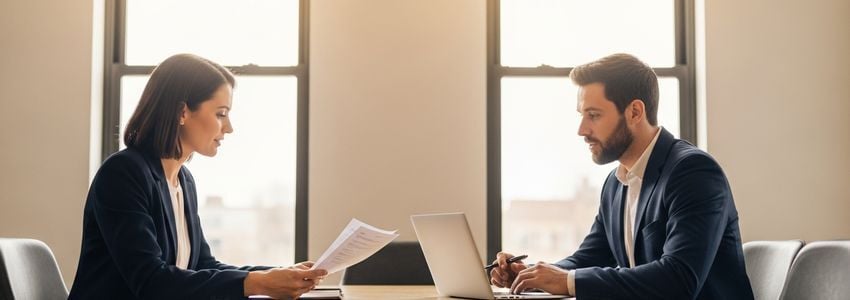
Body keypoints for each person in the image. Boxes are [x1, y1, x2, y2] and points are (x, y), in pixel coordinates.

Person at [489, 53, 754, 299]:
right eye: (582, 115)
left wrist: (567, 280)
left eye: (593, 115)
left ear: (635, 112)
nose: (582, 130)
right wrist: (530, 276)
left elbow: (678, 279)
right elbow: (588, 259)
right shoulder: (616, 184)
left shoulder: (693, 172)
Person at [69, 54, 327, 299]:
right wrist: (259, 283)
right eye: (221, 114)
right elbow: (151, 282)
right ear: (181, 112)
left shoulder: (183, 180)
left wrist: (277, 275)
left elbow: (203, 265)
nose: (229, 127)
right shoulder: (123, 173)